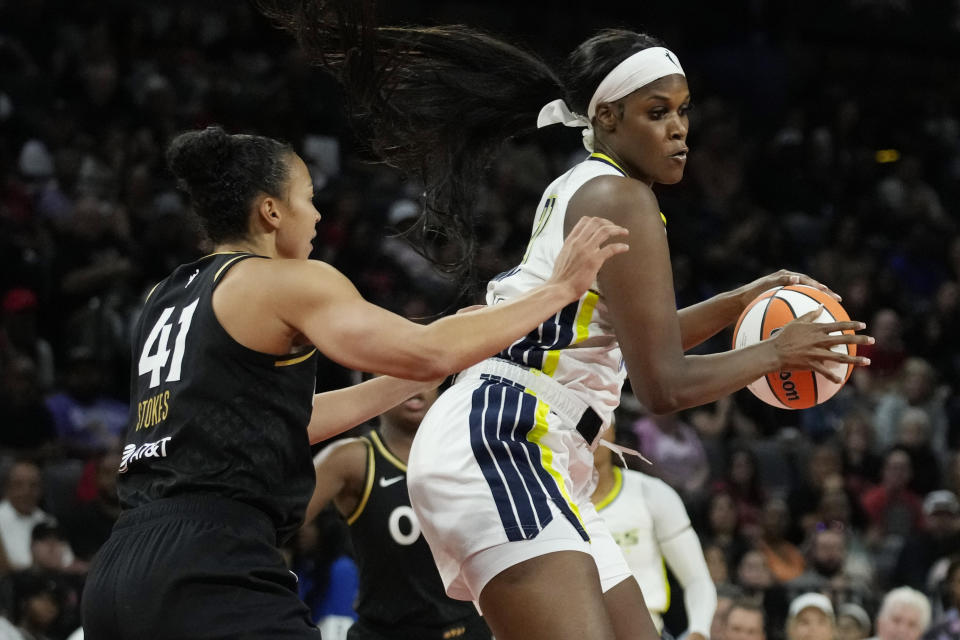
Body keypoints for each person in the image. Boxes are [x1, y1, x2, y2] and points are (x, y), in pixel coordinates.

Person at [263, 7, 871, 639]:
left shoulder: (592, 184)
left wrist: (740, 300)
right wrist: (776, 352)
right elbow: (662, 386)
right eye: (657, 113)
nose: (679, 130)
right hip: (505, 437)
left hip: (539, 446)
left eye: (684, 111)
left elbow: (633, 338)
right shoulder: (619, 196)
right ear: (606, 117)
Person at [79, 125, 628, 639]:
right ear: (271, 211)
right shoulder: (284, 282)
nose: (317, 215)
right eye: (308, 197)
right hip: (211, 563)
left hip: (120, 568)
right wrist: (558, 290)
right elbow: (428, 349)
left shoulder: (164, 298)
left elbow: (283, 420)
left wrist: (417, 370)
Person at [305, 381, 492, 640]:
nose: (414, 384)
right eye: (398, 372)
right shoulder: (353, 459)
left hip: (469, 630)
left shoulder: (470, 453)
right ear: (371, 381)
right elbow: (272, 517)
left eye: (424, 374)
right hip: (385, 632)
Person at [591, 424, 716, 640]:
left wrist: (698, 632)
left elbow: (697, 579)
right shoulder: (543, 500)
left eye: (596, 423)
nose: (586, 434)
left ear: (612, 428)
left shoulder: (650, 493)